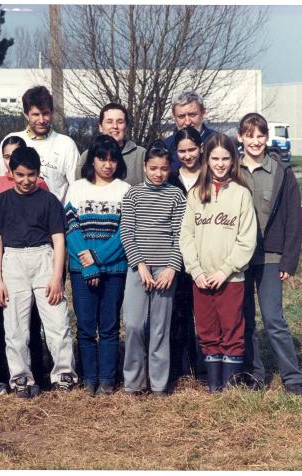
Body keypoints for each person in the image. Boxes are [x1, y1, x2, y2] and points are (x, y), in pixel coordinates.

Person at [0, 147, 78, 397]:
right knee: (15, 326)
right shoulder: (1, 202)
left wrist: (56, 278)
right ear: (11, 173)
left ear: (39, 174)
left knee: (57, 322)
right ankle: (20, 378)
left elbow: (59, 240)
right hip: (13, 260)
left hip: (43, 258)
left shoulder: (49, 201)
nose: (26, 180)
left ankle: (63, 375)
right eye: (20, 175)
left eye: (31, 175)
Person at [179, 133, 257, 393]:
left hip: (230, 278)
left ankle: (230, 388)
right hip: (201, 277)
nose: (220, 163)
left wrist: (225, 270)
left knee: (231, 330)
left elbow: (247, 240)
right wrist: (196, 271)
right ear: (206, 159)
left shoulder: (241, 195)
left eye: (225, 158)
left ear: (233, 160)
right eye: (215, 158)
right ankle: (214, 387)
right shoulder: (195, 194)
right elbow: (186, 236)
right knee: (207, 330)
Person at [238, 112, 302, 397]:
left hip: (271, 257)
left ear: (267, 138)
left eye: (260, 135)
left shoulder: (282, 171)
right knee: (245, 320)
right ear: (240, 137)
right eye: (249, 135)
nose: (255, 141)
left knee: (273, 318)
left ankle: (293, 378)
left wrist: (289, 260)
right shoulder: (231, 169)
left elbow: (294, 220)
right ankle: (254, 374)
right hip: (238, 258)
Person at [65, 135, 131, 396]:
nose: (107, 164)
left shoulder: (124, 190)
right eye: (102, 158)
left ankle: (107, 380)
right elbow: (71, 227)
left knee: (110, 327)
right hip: (81, 270)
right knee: (84, 327)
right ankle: (89, 379)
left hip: (113, 270)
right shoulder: (77, 188)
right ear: (92, 160)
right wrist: (87, 264)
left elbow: (125, 232)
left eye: (113, 159)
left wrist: (98, 260)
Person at [120, 141, 186, 397]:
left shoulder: (176, 196)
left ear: (170, 169)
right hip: (138, 269)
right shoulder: (133, 194)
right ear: (145, 167)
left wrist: (171, 267)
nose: (158, 173)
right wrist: (141, 266)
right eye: (153, 168)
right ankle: (134, 382)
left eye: (164, 169)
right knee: (135, 325)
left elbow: (180, 235)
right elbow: (127, 232)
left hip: (165, 271)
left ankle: (159, 383)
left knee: (160, 328)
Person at [0, 85, 79, 204]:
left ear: (52, 113)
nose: (41, 120)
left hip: (52, 218)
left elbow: (77, 188)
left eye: (45, 113)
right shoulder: (11, 141)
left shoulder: (66, 145)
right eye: (36, 114)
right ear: (26, 114)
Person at [166, 126, 207, 383]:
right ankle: (179, 366)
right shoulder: (170, 179)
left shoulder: (210, 175)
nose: (188, 155)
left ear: (201, 148)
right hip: (177, 255)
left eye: (192, 149)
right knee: (178, 312)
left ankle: (203, 366)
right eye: (182, 151)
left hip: (205, 253)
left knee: (203, 311)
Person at [74, 103, 146, 186]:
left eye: (120, 122)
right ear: (100, 127)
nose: (115, 126)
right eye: (109, 122)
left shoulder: (141, 155)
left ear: (126, 127)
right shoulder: (87, 155)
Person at [163, 91, 217, 170]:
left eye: (192, 115)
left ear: (203, 113)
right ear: (174, 117)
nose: (188, 122)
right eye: (181, 116)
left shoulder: (220, 142)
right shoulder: (166, 147)